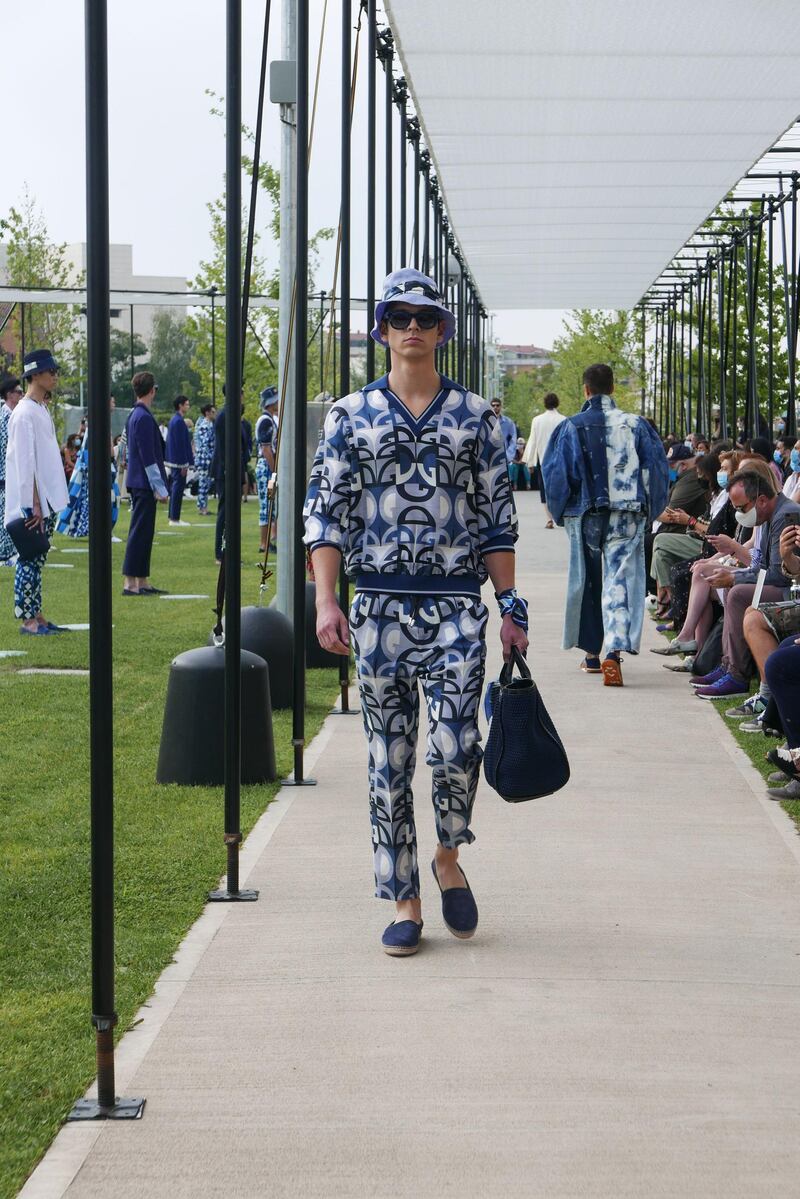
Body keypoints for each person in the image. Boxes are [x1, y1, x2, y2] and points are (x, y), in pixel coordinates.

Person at [304, 267, 526, 958]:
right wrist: (325, 598)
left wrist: (510, 604)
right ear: (381, 329)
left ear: (442, 330)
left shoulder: (479, 419)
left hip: (457, 606)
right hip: (377, 606)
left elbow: (497, 518)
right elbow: (327, 514)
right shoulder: (348, 416)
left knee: (459, 747)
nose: (411, 328)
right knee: (386, 758)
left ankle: (448, 854)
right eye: (398, 317)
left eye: (424, 318)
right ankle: (403, 896)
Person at [542, 362, 669, 686]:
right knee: (620, 581)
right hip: (627, 512)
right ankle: (614, 651)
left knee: (587, 582)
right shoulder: (637, 425)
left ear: (586, 390)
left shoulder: (572, 427)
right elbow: (656, 471)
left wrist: (558, 513)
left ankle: (591, 655)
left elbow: (557, 475)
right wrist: (651, 510)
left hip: (586, 514)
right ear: (613, 388)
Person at [693, 467, 800, 699]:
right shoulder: (771, 514)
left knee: (739, 593)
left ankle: (736, 674)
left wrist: (733, 577)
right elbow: (763, 566)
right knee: (735, 589)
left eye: (742, 508)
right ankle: (728, 667)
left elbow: (777, 574)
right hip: (784, 585)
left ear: (761, 500)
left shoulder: (784, 515)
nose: (739, 514)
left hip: (788, 591)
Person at [4, 350, 69, 633]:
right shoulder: (23, 414)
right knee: (29, 559)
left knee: (37, 558)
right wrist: (33, 504)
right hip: (33, 502)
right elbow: (24, 462)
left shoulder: (39, 408)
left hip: (46, 498)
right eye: (50, 371)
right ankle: (28, 620)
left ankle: (37, 613)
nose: (54, 376)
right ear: (35, 374)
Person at [122, 372, 168, 595]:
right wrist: (160, 488)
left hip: (139, 481)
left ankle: (141, 580)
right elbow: (148, 457)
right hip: (143, 483)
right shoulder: (143, 417)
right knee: (140, 532)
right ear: (152, 390)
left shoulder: (135, 415)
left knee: (143, 532)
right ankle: (131, 582)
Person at [211, 386, 249, 563]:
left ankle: (230, 551)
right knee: (225, 512)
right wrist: (229, 469)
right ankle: (221, 552)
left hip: (233, 468)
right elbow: (226, 446)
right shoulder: (226, 415)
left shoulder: (232, 414)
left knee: (231, 513)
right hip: (227, 470)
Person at [524, 392, 564, 527]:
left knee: (544, 489)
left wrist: (530, 462)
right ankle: (559, 514)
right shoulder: (563, 420)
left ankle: (549, 518)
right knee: (559, 487)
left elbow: (533, 441)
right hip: (560, 459)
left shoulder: (537, 420)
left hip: (543, 460)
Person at [0, 375, 24, 565]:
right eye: (18, 391)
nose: (22, 394)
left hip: (6, 474)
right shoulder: (7, 417)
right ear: (10, 395)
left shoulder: (6, 415)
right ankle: (5, 554)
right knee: (5, 513)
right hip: (5, 474)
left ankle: (8, 552)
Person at [164, 395, 194, 526]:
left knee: (176, 488)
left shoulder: (175, 420)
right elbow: (181, 444)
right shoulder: (178, 422)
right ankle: (174, 518)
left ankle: (173, 516)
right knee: (177, 489)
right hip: (178, 462)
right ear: (180, 405)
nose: (188, 406)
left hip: (175, 460)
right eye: (186, 404)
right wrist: (184, 464)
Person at [255, 387, 278, 552]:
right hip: (266, 468)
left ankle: (267, 541)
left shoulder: (269, 419)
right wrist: (274, 469)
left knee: (270, 504)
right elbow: (266, 449)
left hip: (266, 467)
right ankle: (264, 543)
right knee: (267, 505)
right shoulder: (266, 421)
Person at [193, 403, 216, 515]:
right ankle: (202, 508)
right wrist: (211, 457)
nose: (214, 414)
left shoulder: (205, 424)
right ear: (207, 413)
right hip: (205, 459)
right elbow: (205, 444)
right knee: (203, 483)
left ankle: (203, 506)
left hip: (205, 458)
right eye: (212, 412)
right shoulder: (205, 425)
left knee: (206, 483)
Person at [489, 397, 517, 467]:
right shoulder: (486, 421)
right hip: (489, 459)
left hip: (504, 460)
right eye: (493, 405)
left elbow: (513, 441)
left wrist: (508, 456)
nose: (495, 407)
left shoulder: (509, 423)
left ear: (501, 407)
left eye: (497, 405)